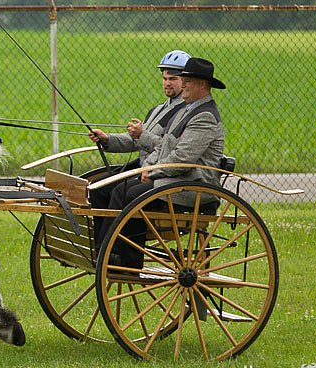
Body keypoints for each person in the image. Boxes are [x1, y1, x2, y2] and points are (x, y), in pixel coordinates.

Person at [101, 56, 226, 268]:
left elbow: (182, 158)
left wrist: (153, 171)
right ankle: (107, 252)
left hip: (192, 185)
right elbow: (164, 147)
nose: (182, 84)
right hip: (175, 177)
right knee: (117, 188)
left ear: (202, 84)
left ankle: (122, 259)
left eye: (187, 80)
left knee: (129, 194)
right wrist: (149, 166)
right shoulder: (187, 109)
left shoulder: (204, 116)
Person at [87, 49, 190, 209]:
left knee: (118, 193)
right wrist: (107, 138)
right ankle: (101, 234)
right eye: (164, 78)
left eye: (172, 79)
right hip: (140, 168)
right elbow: (135, 140)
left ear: (185, 81)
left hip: (157, 173)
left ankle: (115, 234)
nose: (167, 83)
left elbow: (171, 149)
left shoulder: (185, 112)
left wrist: (142, 135)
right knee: (98, 187)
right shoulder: (158, 109)